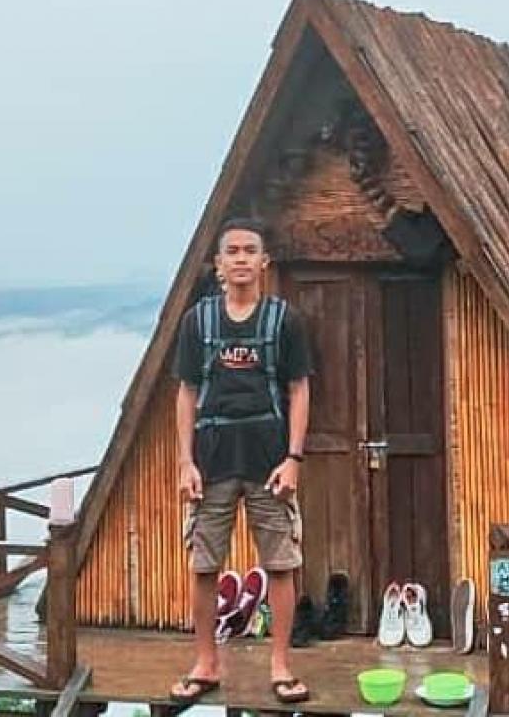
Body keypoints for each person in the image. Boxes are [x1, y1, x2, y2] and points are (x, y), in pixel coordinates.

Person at [168, 217, 313, 706]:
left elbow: (298, 388)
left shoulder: (283, 320)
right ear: (218, 264)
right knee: (204, 564)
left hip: (269, 461)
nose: (241, 259)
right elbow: (187, 392)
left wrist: (294, 457)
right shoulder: (198, 322)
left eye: (250, 250)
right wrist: (185, 461)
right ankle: (206, 663)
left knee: (281, 563)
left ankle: (281, 665)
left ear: (264, 261)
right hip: (211, 461)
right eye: (232, 251)